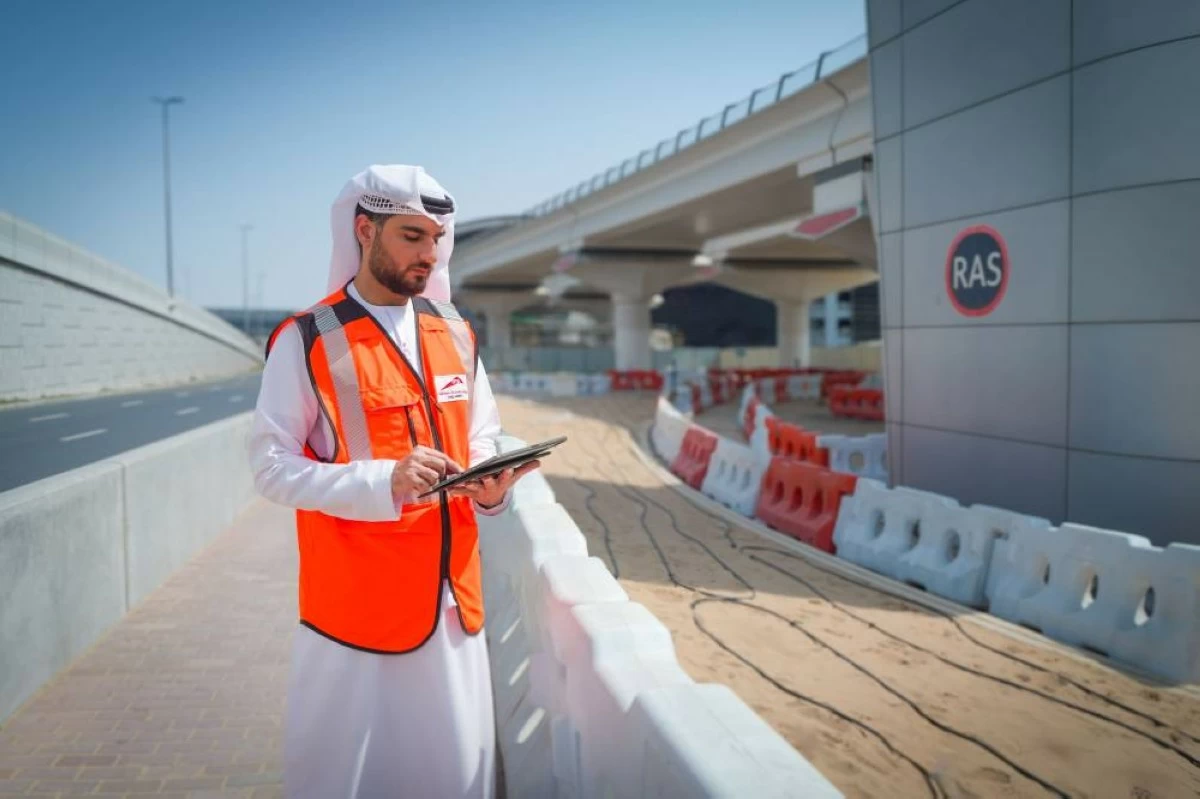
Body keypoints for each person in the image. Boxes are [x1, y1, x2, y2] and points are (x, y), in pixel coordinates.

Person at [248, 164, 537, 798]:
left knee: (456, 778)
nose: (428, 253)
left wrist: (491, 489)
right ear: (364, 230)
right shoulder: (308, 338)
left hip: (454, 607)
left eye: (436, 238)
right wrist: (384, 482)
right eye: (411, 236)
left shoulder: (456, 332)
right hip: (354, 616)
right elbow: (270, 467)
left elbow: (481, 436)